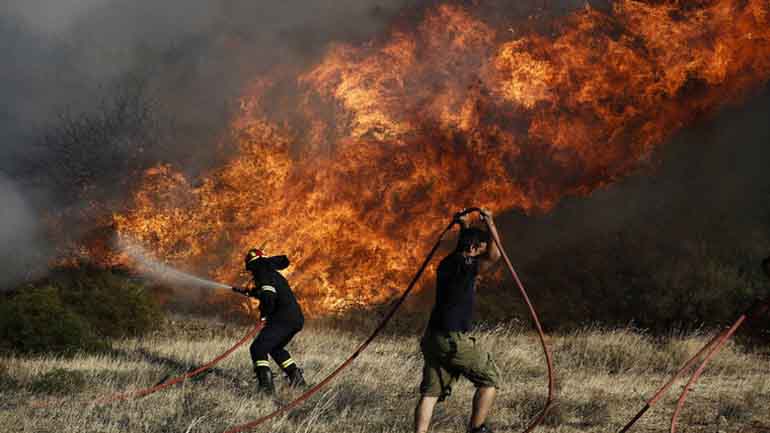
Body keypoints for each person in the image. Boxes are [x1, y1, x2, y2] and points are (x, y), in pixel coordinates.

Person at [414, 208, 502, 433]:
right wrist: (490, 223)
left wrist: (464, 226)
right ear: (472, 249)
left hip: (433, 337)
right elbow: (495, 256)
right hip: (453, 339)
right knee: (490, 378)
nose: (482, 255)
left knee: (430, 393)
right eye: (479, 249)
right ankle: (476, 429)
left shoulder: (447, 262)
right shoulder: (467, 266)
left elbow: (463, 249)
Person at [232, 248, 306, 394]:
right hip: (295, 318)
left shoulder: (261, 269)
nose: (251, 272)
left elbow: (268, 295)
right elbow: (270, 291)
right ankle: (297, 380)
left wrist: (264, 315)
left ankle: (266, 389)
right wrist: (252, 292)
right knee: (275, 348)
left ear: (252, 263)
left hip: (282, 318)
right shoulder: (270, 271)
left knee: (258, 349)